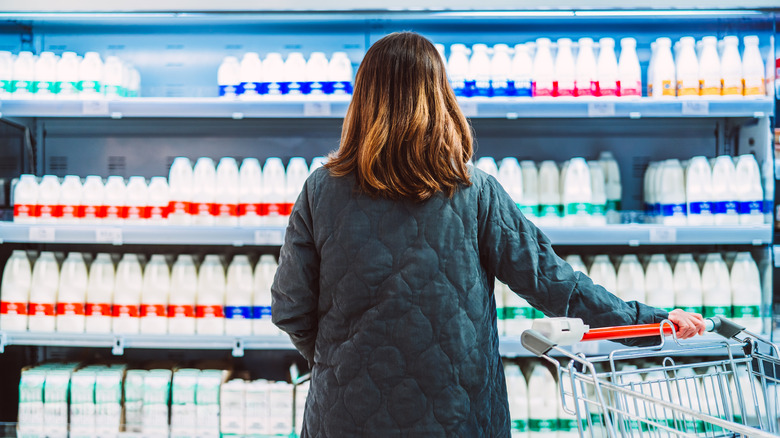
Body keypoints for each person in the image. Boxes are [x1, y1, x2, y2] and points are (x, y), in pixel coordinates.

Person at [271, 31, 706, 437]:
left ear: (362, 101)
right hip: (460, 415)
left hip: (344, 417)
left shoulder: (320, 189)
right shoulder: (474, 192)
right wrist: (649, 322)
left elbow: (290, 308)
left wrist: (340, 360)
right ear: (441, 99)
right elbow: (554, 284)